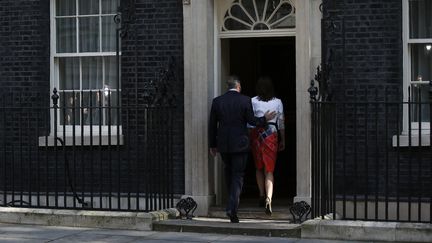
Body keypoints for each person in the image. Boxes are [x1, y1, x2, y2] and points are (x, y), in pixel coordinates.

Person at [209, 76, 276, 223]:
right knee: (238, 176)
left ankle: (230, 204)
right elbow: (252, 121)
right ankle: (232, 208)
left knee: (229, 172)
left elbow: (212, 125)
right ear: (238, 87)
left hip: (224, 145)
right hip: (240, 144)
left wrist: (212, 145)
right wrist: (265, 119)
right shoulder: (245, 100)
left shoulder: (217, 101)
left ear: (228, 87)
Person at [249, 77, 285, 215]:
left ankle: (261, 195)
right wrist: (284, 140)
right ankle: (269, 198)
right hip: (272, 136)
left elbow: (249, 122)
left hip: (257, 136)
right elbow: (281, 123)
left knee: (258, 167)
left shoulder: (252, 101)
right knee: (269, 170)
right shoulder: (278, 102)